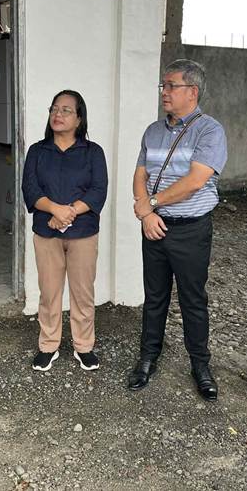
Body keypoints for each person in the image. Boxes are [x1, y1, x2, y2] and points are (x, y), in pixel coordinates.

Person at [128, 59, 227, 402]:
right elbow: (140, 174)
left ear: (192, 91)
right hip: (154, 227)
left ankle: (200, 365)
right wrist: (146, 214)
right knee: (154, 297)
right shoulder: (153, 131)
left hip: (190, 230)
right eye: (163, 86)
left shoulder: (209, 131)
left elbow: (195, 181)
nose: (164, 92)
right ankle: (147, 358)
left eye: (171, 86)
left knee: (193, 300)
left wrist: (150, 204)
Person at [21, 90, 108, 372]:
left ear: (79, 118)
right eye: (54, 109)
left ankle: (84, 346)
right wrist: (55, 210)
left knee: (83, 293)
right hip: (47, 233)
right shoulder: (37, 151)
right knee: (49, 292)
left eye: (66, 110)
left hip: (82, 232)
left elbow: (98, 190)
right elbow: (30, 189)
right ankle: (49, 345)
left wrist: (68, 211)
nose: (57, 115)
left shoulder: (93, 152)